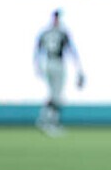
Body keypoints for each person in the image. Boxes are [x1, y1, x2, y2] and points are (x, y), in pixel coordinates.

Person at [34, 9, 85, 137]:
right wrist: (78, 68)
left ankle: (44, 119)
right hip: (57, 63)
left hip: (48, 63)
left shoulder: (45, 32)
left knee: (53, 94)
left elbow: (38, 50)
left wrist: (37, 66)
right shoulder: (62, 32)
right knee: (56, 95)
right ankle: (50, 122)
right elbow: (71, 50)